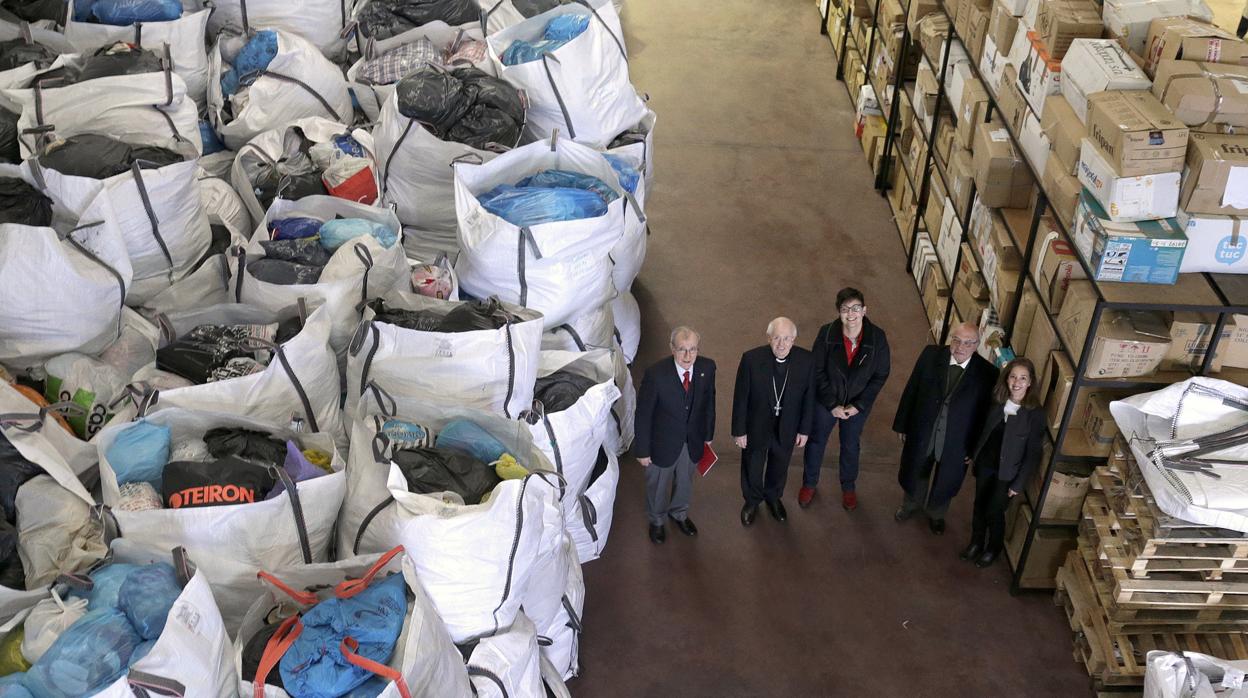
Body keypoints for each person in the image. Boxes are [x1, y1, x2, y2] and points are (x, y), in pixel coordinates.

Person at [892, 322, 997, 534]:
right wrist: (902, 424)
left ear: (977, 345)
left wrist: (973, 448)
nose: (960, 347)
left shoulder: (987, 373)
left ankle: (936, 514)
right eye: (956, 340)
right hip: (924, 430)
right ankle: (910, 504)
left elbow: (984, 415)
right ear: (950, 339)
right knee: (917, 467)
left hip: (957, 439)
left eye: (968, 343)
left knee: (946, 478)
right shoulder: (931, 355)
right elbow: (912, 389)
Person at [801, 288, 891, 511]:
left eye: (855, 308)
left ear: (864, 310)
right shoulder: (827, 334)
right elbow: (817, 370)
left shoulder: (877, 338)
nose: (850, 314)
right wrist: (831, 404)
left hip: (856, 405)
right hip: (826, 402)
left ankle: (848, 486)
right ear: (838, 312)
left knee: (850, 445)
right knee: (816, 441)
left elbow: (880, 375)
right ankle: (809, 483)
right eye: (844, 309)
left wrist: (859, 405)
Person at [634, 326, 716, 544]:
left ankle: (679, 513)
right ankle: (657, 520)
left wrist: (708, 434)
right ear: (672, 349)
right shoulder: (655, 375)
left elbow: (709, 402)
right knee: (658, 484)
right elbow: (643, 414)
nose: (688, 356)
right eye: (682, 350)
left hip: (693, 440)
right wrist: (642, 450)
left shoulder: (707, 368)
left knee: (685, 481)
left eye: (693, 349)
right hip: (661, 443)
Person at [961, 358, 1045, 568]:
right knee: (979, 506)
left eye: (1023, 378)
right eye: (1013, 376)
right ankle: (976, 542)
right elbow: (983, 429)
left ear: (1030, 382)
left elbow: (1033, 453)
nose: (1017, 382)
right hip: (986, 465)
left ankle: (993, 548)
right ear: (1006, 379)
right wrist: (974, 453)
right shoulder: (997, 400)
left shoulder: (1035, 413)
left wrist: (1018, 484)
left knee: (994, 511)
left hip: (1007, 474)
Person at [731, 317, 815, 526]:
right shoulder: (751, 359)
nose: (781, 344)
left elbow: (809, 398)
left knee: (780, 464)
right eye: (777, 338)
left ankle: (773, 497)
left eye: (787, 338)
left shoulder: (806, 361)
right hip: (756, 425)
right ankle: (751, 501)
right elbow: (741, 398)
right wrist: (739, 431)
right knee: (753, 464)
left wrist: (804, 429)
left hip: (787, 426)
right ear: (768, 338)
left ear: (794, 340)